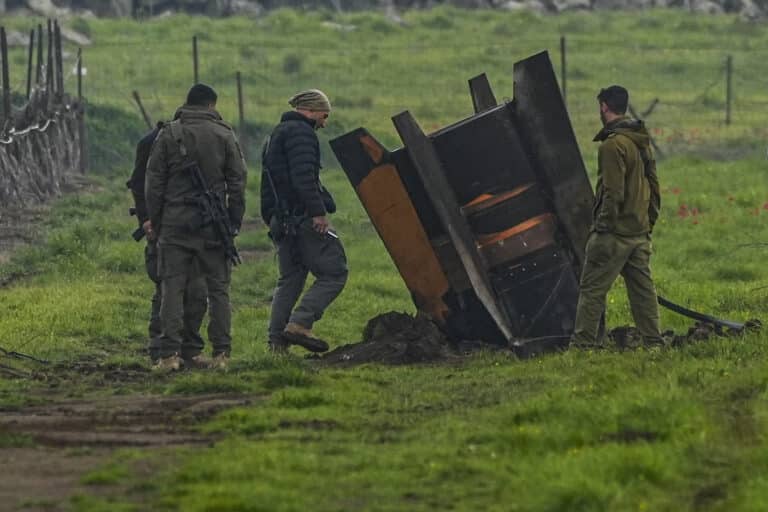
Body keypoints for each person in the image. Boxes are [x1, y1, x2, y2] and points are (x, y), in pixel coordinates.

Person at [146, 84, 247, 370]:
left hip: (175, 224)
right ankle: (221, 355)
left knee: (172, 288)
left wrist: (155, 219)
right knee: (218, 290)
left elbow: (154, 182)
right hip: (213, 227)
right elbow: (238, 184)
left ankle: (168, 356)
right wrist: (233, 223)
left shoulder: (168, 134)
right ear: (211, 105)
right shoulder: (224, 134)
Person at [570, 85, 663, 349]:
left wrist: (603, 228)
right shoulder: (640, 140)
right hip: (639, 233)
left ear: (603, 107)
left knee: (591, 290)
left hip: (614, 235)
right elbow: (654, 186)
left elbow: (612, 192)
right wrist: (648, 223)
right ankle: (654, 344)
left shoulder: (612, 145)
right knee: (643, 293)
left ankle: (581, 348)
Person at [261, 89, 348, 353]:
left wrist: (273, 219)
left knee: (290, 279)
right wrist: (318, 213)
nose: (324, 122)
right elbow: (303, 179)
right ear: (310, 110)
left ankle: (277, 345)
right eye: (324, 115)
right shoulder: (301, 134)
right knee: (334, 272)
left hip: (282, 220)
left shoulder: (278, 133)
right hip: (301, 218)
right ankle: (300, 323)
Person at [127, 122, 208, 366]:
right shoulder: (154, 142)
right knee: (166, 286)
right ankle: (162, 347)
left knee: (184, 288)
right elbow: (141, 184)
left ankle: (179, 348)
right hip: (164, 225)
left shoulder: (174, 141)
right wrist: (147, 219)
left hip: (178, 223)